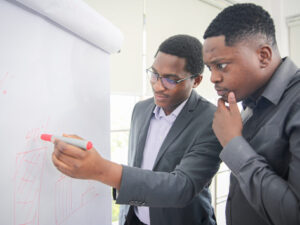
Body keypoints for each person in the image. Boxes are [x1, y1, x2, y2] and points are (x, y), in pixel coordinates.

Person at [52, 34, 222, 225]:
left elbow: (181, 188)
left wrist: (100, 169)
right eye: (155, 74)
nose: (158, 86)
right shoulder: (141, 110)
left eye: (171, 80)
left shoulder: (213, 120)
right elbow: (140, 168)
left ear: (197, 81)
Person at [203, 3, 300, 225]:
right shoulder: (248, 100)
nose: (213, 78)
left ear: (263, 56)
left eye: (222, 65)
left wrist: (233, 143)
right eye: (210, 68)